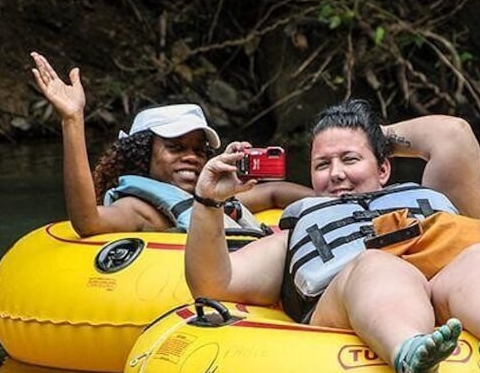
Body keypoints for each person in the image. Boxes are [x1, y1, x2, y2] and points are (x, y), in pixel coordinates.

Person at [185, 99, 480, 373]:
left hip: (444, 284)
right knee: (377, 263)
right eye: (322, 164)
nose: (336, 172)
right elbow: (214, 283)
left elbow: (452, 135)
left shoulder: (431, 197)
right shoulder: (298, 228)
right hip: (352, 297)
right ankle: (410, 352)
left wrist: (365, 132)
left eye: (349, 159)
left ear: (384, 168)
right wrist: (208, 201)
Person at [30, 51, 312, 236]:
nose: (192, 157)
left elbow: (275, 192)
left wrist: (344, 204)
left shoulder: (210, 199)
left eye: (199, 150)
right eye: (175, 147)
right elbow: (87, 222)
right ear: (142, 155)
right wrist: (72, 120)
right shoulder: (138, 210)